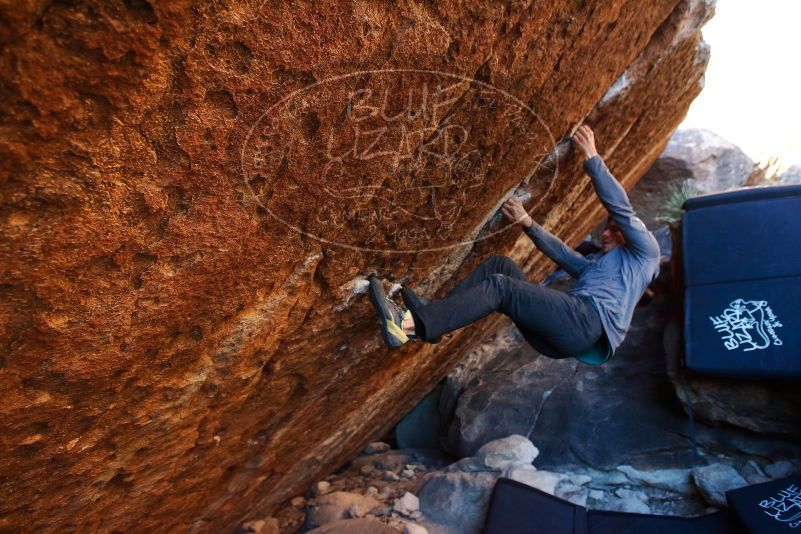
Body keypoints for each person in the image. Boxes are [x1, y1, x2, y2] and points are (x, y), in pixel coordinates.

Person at [368, 124, 661, 364]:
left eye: (613, 231)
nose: (606, 235)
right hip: (564, 337)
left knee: (500, 287)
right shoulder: (602, 269)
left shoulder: (646, 253)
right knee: (500, 267)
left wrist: (592, 158)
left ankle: (408, 326)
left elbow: (621, 209)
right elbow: (563, 254)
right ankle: (432, 318)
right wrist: (527, 223)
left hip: (583, 322)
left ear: (628, 235)